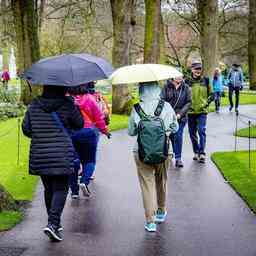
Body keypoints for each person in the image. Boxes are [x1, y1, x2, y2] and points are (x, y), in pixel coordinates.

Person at [22, 85, 84, 242]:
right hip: (61, 153)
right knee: (61, 189)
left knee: (49, 189)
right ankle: (53, 224)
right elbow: (79, 124)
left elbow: (27, 130)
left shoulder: (34, 105)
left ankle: (54, 223)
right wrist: (74, 107)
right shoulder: (67, 104)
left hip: (40, 153)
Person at [128, 82, 178, 232]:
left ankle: (150, 221)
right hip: (164, 150)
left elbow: (131, 132)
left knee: (147, 185)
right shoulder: (166, 106)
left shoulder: (136, 108)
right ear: (157, 89)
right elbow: (175, 127)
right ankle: (161, 211)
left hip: (142, 152)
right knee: (161, 181)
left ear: (141, 90)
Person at [68, 84, 111, 198]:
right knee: (89, 160)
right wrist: (105, 131)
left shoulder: (67, 99)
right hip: (89, 132)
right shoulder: (89, 98)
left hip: (72, 133)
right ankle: (84, 181)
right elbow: (98, 118)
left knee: (74, 161)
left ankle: (74, 191)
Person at [185, 62, 214, 164]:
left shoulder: (206, 80)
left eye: (199, 69)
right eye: (196, 69)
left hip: (202, 112)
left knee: (201, 131)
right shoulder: (187, 81)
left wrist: (205, 104)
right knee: (192, 133)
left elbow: (212, 95)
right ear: (192, 70)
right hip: (190, 112)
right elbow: (184, 96)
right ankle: (196, 152)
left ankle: (202, 153)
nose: (198, 71)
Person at [161, 76, 191, 168]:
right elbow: (162, 100)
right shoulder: (166, 87)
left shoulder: (186, 88)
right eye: (177, 76)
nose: (179, 78)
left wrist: (180, 114)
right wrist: (167, 112)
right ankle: (171, 153)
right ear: (173, 77)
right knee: (170, 136)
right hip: (168, 116)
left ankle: (178, 158)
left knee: (178, 134)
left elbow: (188, 102)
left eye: (180, 76)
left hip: (180, 117)